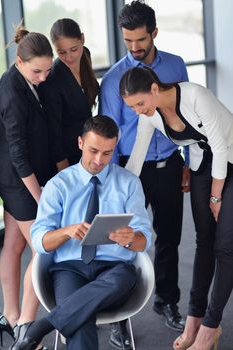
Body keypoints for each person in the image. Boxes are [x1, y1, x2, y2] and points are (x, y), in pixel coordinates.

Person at [9, 115, 152, 350]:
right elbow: (39, 240)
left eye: (107, 153)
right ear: (80, 143)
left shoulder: (129, 183)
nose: (99, 160)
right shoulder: (58, 185)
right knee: (80, 320)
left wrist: (132, 238)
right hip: (70, 269)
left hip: (114, 270)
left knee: (123, 278)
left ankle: (41, 328)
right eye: (93, 150)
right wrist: (67, 231)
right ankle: (54, 321)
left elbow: (144, 239)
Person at [119, 66, 233, 350]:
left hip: (229, 160)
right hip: (202, 166)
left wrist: (216, 197)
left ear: (154, 90)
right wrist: (117, 194)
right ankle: (194, 318)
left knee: (225, 248)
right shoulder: (151, 116)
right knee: (204, 241)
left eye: (139, 103)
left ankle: (210, 328)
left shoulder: (195, 96)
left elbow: (219, 146)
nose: (137, 112)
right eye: (131, 107)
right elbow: (136, 160)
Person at [99, 0, 189, 345]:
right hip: (128, 170)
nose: (135, 48)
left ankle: (167, 301)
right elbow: (109, 133)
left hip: (169, 165)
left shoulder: (177, 66)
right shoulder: (112, 81)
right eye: (128, 42)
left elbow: (185, 119)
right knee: (123, 243)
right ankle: (120, 314)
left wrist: (185, 160)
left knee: (169, 238)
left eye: (141, 40)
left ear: (154, 33)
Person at [0, 25, 55, 348]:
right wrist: (41, 197)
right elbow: (19, 155)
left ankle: (9, 314)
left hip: (16, 177)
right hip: (19, 181)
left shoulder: (23, 78)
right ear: (20, 61)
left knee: (13, 245)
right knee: (43, 249)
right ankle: (26, 327)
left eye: (47, 70)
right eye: (38, 71)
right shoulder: (12, 92)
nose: (44, 78)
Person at [39, 18, 99, 172]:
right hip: (68, 154)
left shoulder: (86, 55)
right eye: (61, 52)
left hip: (90, 147)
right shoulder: (52, 80)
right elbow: (54, 133)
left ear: (83, 39)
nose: (69, 57)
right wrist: (65, 172)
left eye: (74, 49)